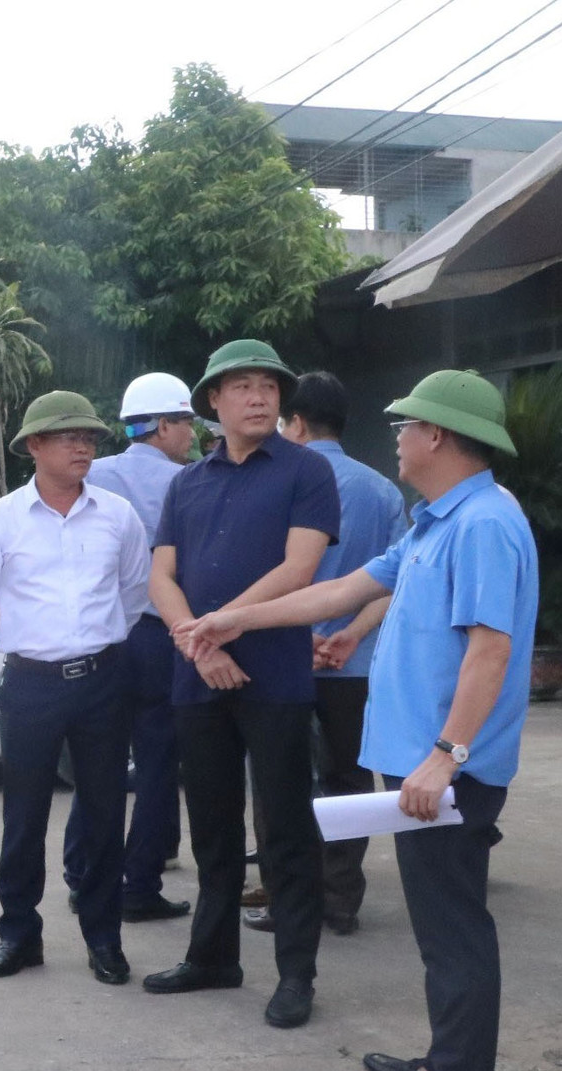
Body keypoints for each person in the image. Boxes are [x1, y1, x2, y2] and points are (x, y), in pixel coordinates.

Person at [179, 369, 536, 1071]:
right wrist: (236, 619)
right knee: (439, 924)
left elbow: (491, 650)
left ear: (437, 436)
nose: (397, 439)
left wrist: (446, 755)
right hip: (420, 764)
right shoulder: (438, 520)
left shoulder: (483, 525)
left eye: (406, 426)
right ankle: (449, 1062)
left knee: (453, 929)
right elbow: (341, 592)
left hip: (444, 774)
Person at [139, 339, 339, 1030]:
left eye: (269, 386)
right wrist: (199, 644)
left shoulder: (306, 471)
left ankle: (295, 974)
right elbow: (161, 577)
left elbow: (300, 568)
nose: (259, 397)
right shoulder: (186, 483)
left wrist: (221, 625)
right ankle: (213, 957)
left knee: (283, 828)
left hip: (276, 676)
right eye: (242, 386)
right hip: (198, 677)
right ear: (212, 404)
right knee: (213, 828)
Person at [0, 391, 151, 987]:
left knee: (104, 811)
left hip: (101, 681)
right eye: (68, 437)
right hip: (31, 684)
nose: (83, 445)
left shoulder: (118, 514)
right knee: (24, 814)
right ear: (34, 446)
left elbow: (134, 594)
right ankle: (18, 934)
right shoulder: (1, 519)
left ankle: (104, 938)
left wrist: (97, 644)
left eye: (89, 436)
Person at [244, 371, 407, 937]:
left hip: (284, 656)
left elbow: (266, 573)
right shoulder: (383, 489)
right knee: (348, 778)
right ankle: (340, 899)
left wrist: (304, 635)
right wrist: (351, 636)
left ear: (297, 423)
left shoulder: (280, 480)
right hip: (354, 665)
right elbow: (391, 584)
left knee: (277, 779)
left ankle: (286, 895)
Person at [62, 372, 199, 923]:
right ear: (163, 425)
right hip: (159, 637)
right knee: (158, 762)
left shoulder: (92, 475)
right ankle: (138, 886)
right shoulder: (191, 483)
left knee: (101, 763)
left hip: (98, 638)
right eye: (186, 422)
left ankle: (82, 875)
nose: (191, 434)